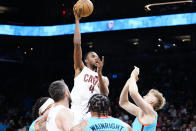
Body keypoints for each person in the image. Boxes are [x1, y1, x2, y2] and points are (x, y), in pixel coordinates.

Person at [71, 7, 109, 125]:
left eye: (97, 56)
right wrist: (77, 21)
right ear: (85, 60)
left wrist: (99, 74)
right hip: (76, 111)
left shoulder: (104, 78)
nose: (96, 58)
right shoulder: (80, 69)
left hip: (92, 113)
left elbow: (104, 95)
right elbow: (77, 45)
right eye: (93, 56)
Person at [119, 66, 166, 131]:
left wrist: (133, 75)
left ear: (152, 101)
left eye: (147, 95)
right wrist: (129, 81)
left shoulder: (151, 113)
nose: (144, 96)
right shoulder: (140, 112)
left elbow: (133, 93)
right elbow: (123, 103)